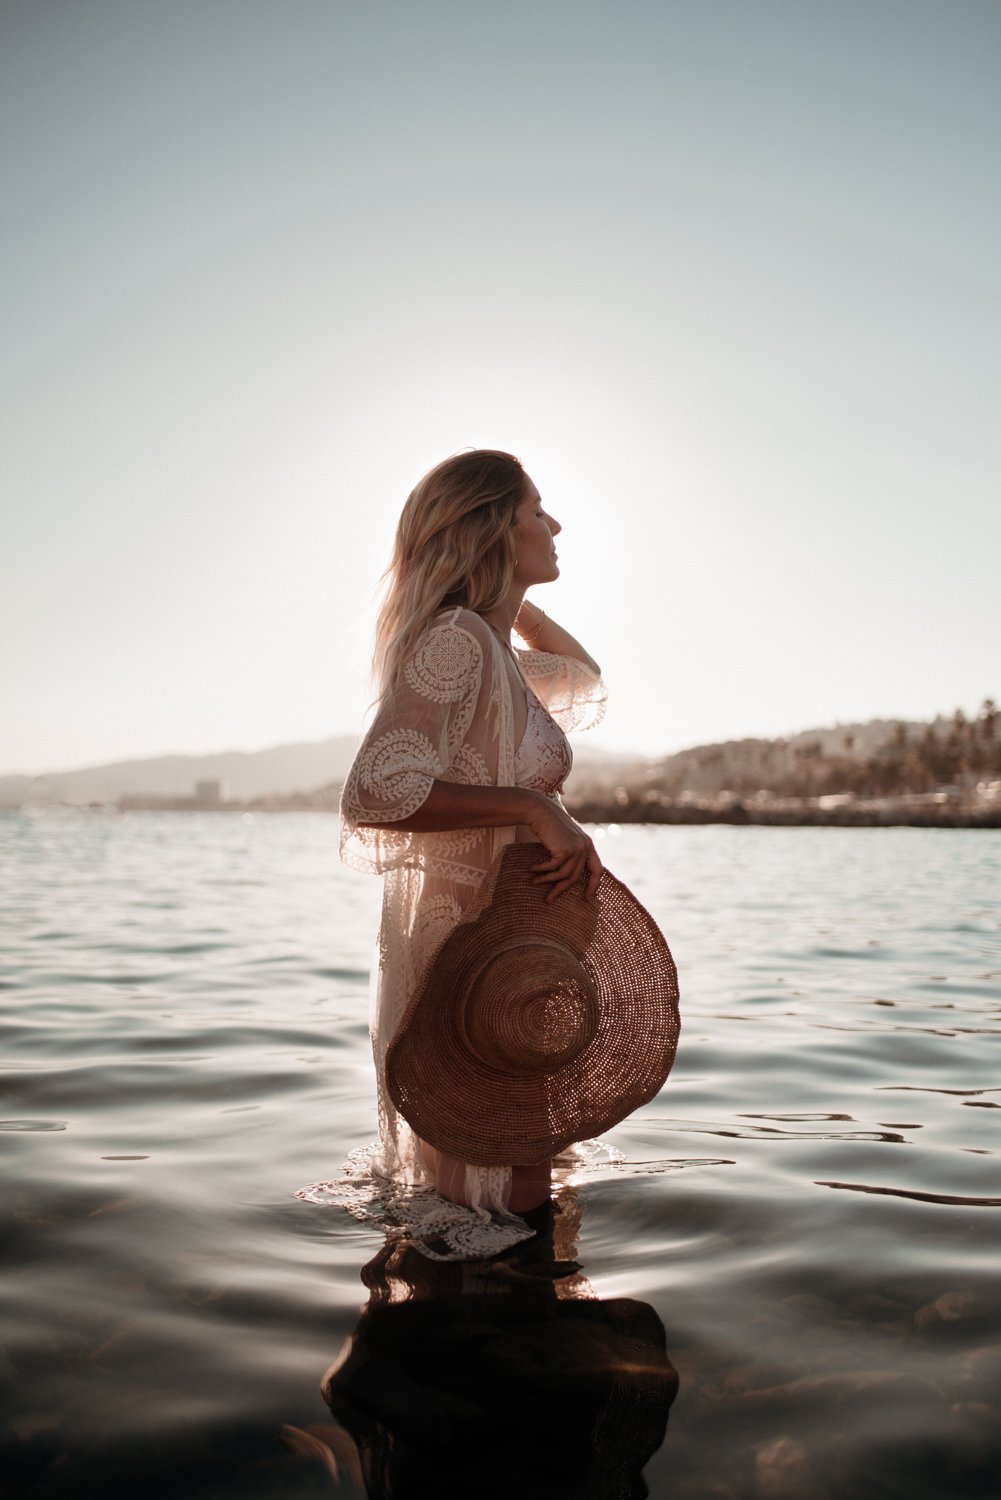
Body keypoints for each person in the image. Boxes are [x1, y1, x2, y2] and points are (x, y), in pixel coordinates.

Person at [337, 448, 608, 1253]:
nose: (554, 525)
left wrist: (510, 596)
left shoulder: (490, 648)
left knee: (519, 1179)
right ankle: (484, 1348)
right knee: (500, 1185)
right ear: (493, 527)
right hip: (470, 951)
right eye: (535, 511)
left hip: (512, 949)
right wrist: (532, 806)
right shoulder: (456, 640)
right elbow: (375, 793)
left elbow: (584, 674)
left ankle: (492, 1342)